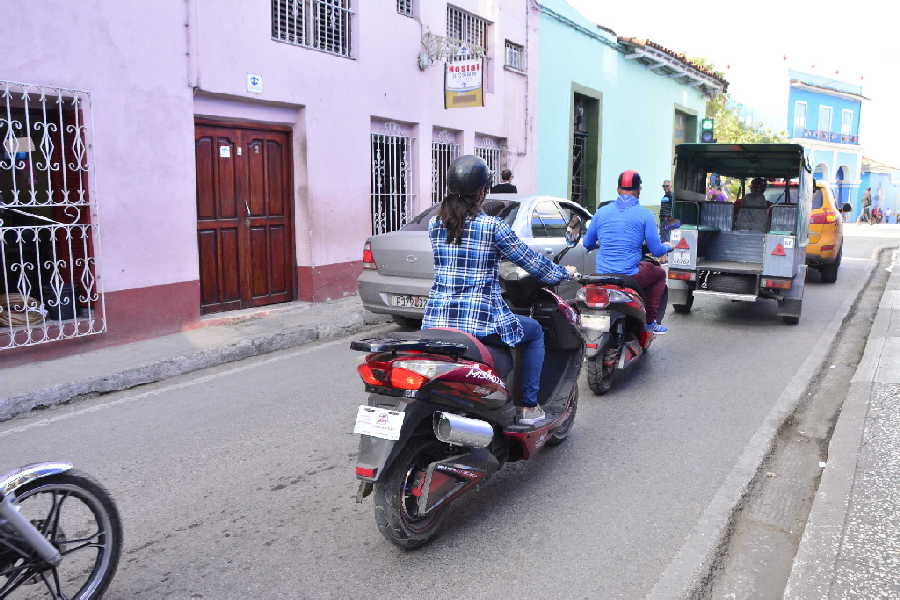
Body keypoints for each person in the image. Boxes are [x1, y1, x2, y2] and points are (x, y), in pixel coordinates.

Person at [422, 155, 575, 425]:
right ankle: (528, 407)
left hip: (436, 320)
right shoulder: (492, 227)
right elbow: (532, 262)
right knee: (534, 331)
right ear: (482, 191)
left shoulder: (435, 225)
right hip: (478, 321)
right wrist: (564, 272)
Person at [582, 170, 674, 334]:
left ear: (618, 189)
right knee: (659, 274)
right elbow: (656, 250)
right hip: (628, 276)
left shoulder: (601, 212)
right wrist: (668, 246)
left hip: (602, 275)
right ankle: (650, 322)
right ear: (638, 191)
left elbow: (587, 243)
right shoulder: (645, 215)